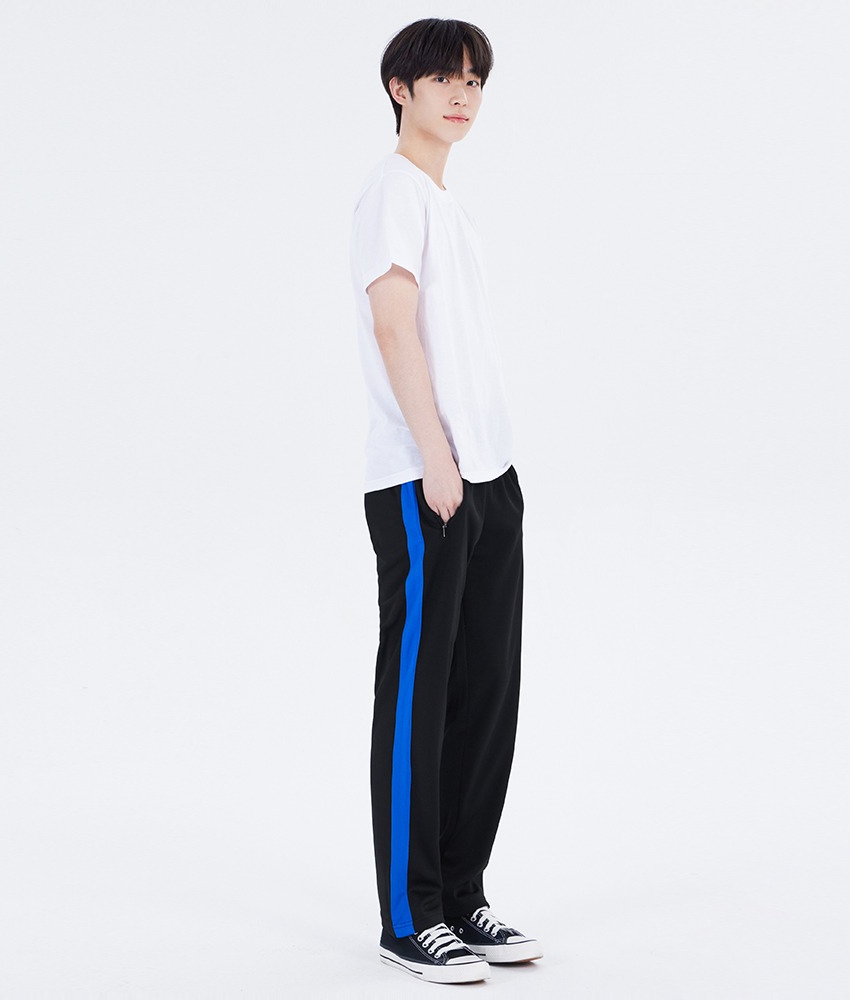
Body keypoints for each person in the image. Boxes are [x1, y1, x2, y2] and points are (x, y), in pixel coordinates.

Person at [348, 18, 543, 985]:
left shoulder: (445, 204)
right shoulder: (393, 192)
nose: (462, 94)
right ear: (400, 88)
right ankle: (408, 915)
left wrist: (483, 471)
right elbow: (394, 327)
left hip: (488, 479)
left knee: (485, 696)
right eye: (443, 79)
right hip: (429, 479)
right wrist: (436, 457)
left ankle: (463, 895)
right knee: (420, 700)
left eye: (474, 80)